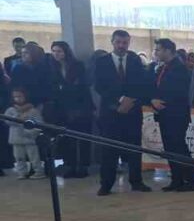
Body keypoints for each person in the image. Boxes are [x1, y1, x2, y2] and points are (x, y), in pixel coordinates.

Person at [94, 29, 153, 196]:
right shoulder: (102, 61)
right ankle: (106, 184)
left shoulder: (135, 60)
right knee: (109, 150)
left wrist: (130, 100)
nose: (121, 46)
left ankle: (136, 181)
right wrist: (120, 100)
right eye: (118, 42)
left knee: (134, 148)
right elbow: (99, 86)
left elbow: (141, 84)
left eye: (125, 42)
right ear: (112, 42)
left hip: (132, 111)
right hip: (110, 111)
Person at [150, 39, 194, 192]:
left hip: (176, 114)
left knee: (179, 148)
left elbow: (178, 93)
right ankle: (177, 179)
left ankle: (192, 180)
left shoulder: (179, 68)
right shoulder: (164, 67)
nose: (156, 53)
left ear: (168, 51)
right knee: (170, 148)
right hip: (165, 114)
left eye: (158, 50)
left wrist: (161, 102)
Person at [50, 41, 93, 178]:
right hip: (62, 108)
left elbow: (82, 87)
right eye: (54, 51)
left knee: (83, 138)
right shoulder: (52, 67)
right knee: (67, 139)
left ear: (66, 52)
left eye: (59, 51)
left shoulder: (77, 65)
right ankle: (70, 165)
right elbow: (54, 88)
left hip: (81, 107)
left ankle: (83, 166)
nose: (56, 54)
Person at [4, 87, 44, 179]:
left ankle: (38, 171)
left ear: (25, 96)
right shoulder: (11, 110)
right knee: (19, 157)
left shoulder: (33, 110)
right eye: (15, 97)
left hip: (30, 138)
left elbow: (39, 123)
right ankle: (22, 173)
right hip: (16, 138)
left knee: (34, 157)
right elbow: (7, 121)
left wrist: (33, 133)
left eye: (20, 96)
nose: (17, 99)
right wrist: (18, 116)